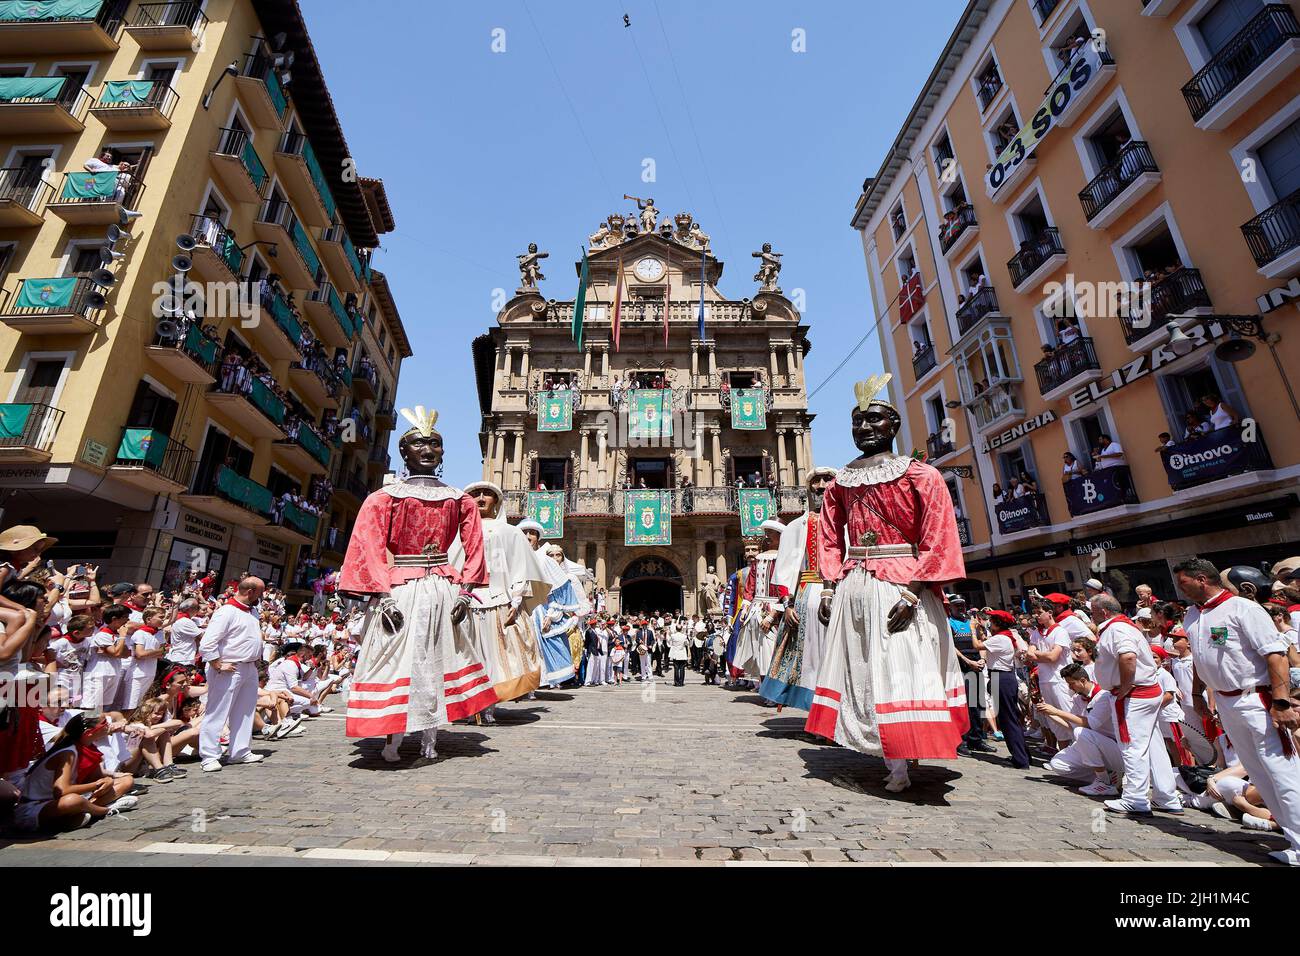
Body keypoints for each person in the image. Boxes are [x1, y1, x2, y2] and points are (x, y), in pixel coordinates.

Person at [806, 376, 969, 793]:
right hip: (855, 584)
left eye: (874, 419)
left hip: (902, 586)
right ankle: (890, 748)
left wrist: (915, 590)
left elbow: (938, 534)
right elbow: (826, 536)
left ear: (893, 426)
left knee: (902, 663)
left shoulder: (922, 474)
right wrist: (828, 586)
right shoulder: (840, 482)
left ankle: (903, 752)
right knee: (865, 666)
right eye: (857, 421)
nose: (864, 427)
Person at [337, 407, 496, 764]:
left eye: (435, 444)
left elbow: (475, 548)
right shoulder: (383, 498)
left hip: (443, 590)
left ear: (443, 453)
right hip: (400, 591)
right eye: (419, 444)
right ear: (404, 452)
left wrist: (468, 593)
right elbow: (370, 546)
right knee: (398, 661)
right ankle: (392, 734)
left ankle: (430, 738)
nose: (428, 449)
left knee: (437, 661)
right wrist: (381, 594)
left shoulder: (461, 500)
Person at [1176, 558, 1300, 866]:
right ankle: (1292, 837)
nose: (1180, 589)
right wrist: (1197, 692)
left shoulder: (1244, 609)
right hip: (1227, 701)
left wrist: (1281, 703)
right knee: (1259, 772)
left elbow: (1275, 655)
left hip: (1254, 699)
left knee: (1281, 770)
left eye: (1183, 582)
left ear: (1202, 579)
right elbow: (1199, 657)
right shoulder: (1193, 615)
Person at [455, 482, 547, 719]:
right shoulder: (458, 530)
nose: (481, 498)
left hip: (498, 601)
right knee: (467, 654)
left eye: (487, 494)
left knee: (496, 657)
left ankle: (488, 707)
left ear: (496, 501)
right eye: (475, 494)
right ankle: (468, 704)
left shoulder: (510, 532)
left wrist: (516, 602)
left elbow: (520, 568)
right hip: (464, 602)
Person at [1090, 594, 1182, 817]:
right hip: (1142, 693)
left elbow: (1128, 657)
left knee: (1132, 746)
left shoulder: (1117, 629)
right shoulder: (1121, 627)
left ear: (1103, 612)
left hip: (1134, 695)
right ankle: (1166, 797)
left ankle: (1136, 799)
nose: (1091, 615)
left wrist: (1124, 687)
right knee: (1153, 745)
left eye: (1093, 611)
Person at [762, 466, 837, 710]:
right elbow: (784, 570)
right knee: (812, 658)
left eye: (828, 480)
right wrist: (788, 605)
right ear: (809, 487)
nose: (822, 486)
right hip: (808, 593)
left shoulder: (847, 522)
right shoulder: (796, 527)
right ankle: (817, 711)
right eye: (817, 480)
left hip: (842, 592)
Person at [196, 576, 268, 773]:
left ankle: (240, 751)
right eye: (260, 593)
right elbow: (207, 643)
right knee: (217, 712)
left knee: (245, 711)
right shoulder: (226, 611)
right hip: (230, 667)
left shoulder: (252, 611)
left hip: (249, 667)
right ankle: (210, 755)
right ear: (250, 592)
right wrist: (217, 664)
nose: (261, 597)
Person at [972, 609, 1029, 769]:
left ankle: (1020, 758)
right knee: (1011, 718)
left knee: (1008, 720)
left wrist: (972, 629)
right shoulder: (1006, 636)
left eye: (992, 621)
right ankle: (1022, 755)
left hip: (1000, 678)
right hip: (1004, 677)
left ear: (998, 623)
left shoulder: (1001, 638)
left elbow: (977, 645)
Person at [668, 618, 689, 686]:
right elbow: (687, 644)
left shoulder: (673, 636)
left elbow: (669, 643)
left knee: (676, 668)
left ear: (676, 629)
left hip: (675, 653)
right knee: (682, 668)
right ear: (681, 629)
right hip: (682, 653)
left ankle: (676, 682)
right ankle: (681, 682)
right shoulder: (684, 636)